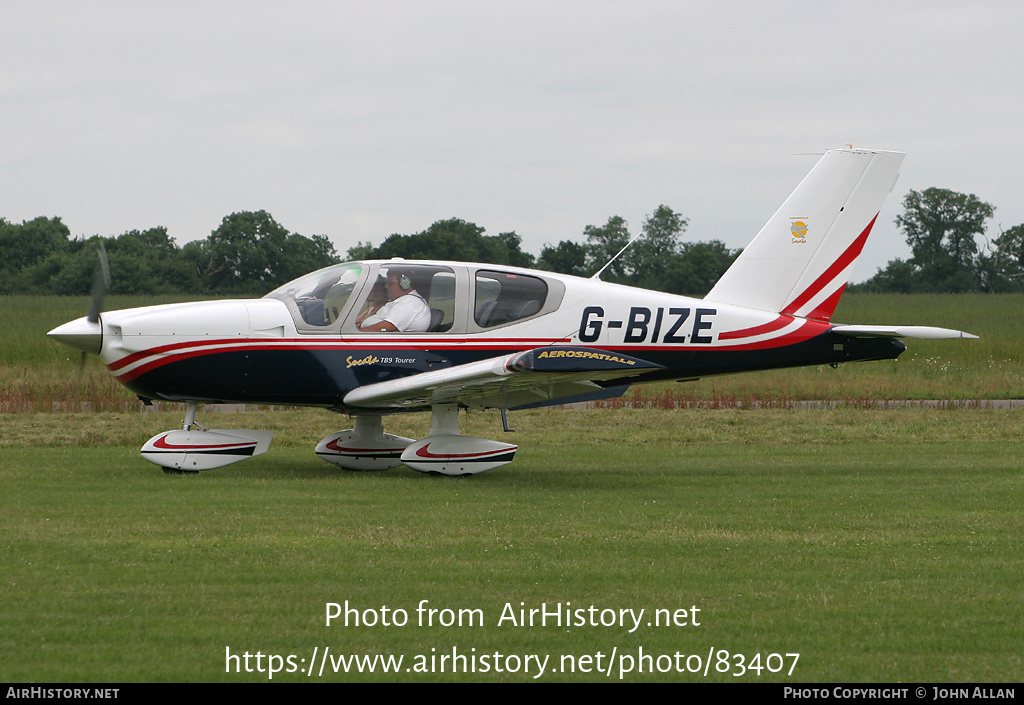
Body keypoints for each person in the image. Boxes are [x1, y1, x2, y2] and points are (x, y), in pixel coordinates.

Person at [357, 271, 431, 332]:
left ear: (405, 284)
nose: (386, 286)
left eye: (390, 283)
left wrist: (358, 332)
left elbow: (387, 326)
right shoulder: (403, 300)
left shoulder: (409, 302)